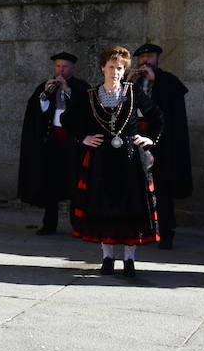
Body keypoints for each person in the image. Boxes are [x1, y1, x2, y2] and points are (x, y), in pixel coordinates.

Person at [68, 45, 164, 276]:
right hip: (100, 160)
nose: (115, 72)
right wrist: (83, 138)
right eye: (111, 67)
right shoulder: (90, 95)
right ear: (103, 68)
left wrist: (150, 138)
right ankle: (107, 257)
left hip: (130, 159)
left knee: (130, 207)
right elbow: (67, 118)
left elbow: (157, 116)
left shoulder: (132, 92)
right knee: (103, 207)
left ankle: (129, 259)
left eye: (120, 68)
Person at [18, 52, 92, 235]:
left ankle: (78, 226)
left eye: (65, 67)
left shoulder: (81, 87)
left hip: (73, 144)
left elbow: (84, 112)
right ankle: (49, 225)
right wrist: (44, 96)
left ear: (72, 68)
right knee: (50, 184)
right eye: (58, 66)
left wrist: (67, 91)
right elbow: (37, 112)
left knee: (76, 185)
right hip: (52, 144)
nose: (61, 70)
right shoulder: (45, 86)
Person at [131, 43, 193, 249]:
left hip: (163, 146)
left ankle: (166, 232)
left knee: (162, 191)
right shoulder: (133, 81)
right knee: (138, 189)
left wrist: (156, 80)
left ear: (157, 58)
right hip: (137, 141)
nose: (145, 60)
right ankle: (143, 230)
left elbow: (172, 109)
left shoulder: (168, 81)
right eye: (142, 57)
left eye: (150, 56)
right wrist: (127, 82)